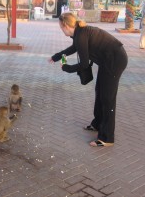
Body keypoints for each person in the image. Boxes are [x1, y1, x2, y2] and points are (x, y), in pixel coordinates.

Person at [48, 12, 128, 147]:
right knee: (100, 92)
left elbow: (84, 64)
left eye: (61, 28)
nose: (61, 30)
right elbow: (74, 48)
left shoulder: (81, 34)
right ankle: (97, 124)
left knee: (108, 98)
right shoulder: (79, 32)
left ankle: (107, 138)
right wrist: (56, 57)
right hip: (107, 61)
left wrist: (67, 68)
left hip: (115, 61)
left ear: (66, 25)